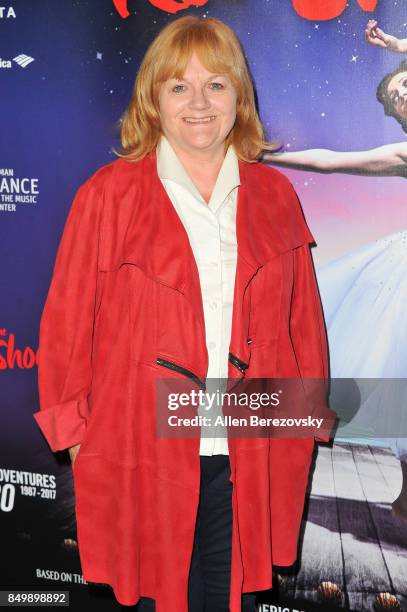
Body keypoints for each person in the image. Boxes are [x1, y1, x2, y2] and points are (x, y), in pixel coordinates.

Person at [33, 15, 336, 612]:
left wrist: (305, 419)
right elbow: (68, 322)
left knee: (232, 602)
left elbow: (305, 324)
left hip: (249, 443)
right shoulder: (107, 195)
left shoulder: (274, 195)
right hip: (139, 446)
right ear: (154, 100)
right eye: (179, 86)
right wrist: (73, 434)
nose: (199, 103)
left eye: (216, 84)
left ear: (238, 97)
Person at [262, 18, 407, 520]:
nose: (401, 95)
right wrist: (269, 157)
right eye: (395, 99)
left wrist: (394, 46)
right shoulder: (403, 153)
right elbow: (332, 162)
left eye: (403, 84)